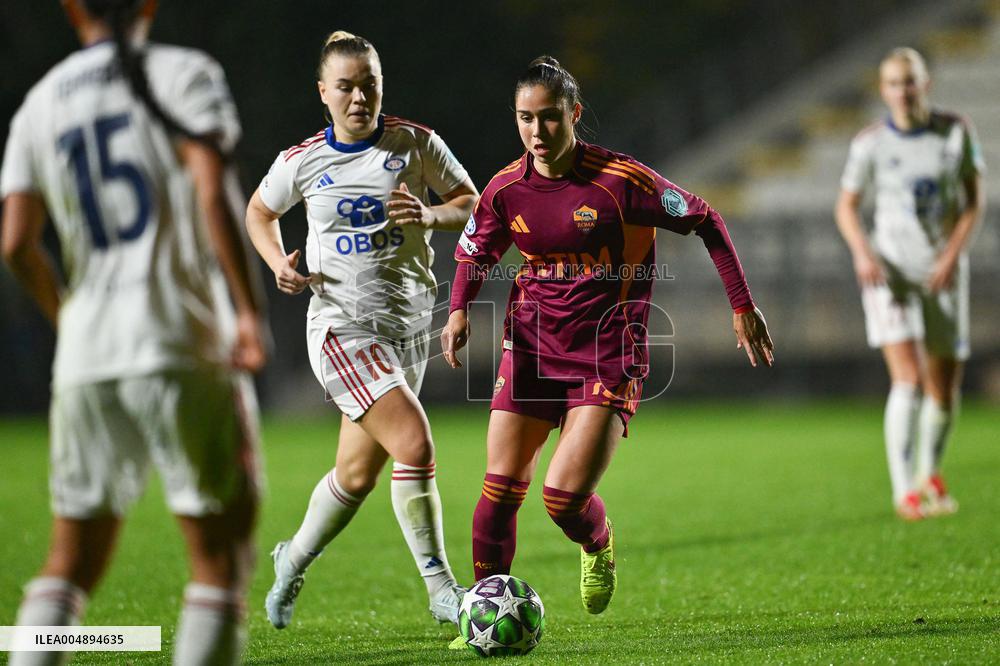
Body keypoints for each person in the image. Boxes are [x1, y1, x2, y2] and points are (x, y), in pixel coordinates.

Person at [440, 55, 773, 634]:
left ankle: (597, 542)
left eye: (549, 118)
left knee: (562, 500)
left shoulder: (622, 182)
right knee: (498, 488)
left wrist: (742, 305)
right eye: (525, 119)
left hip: (606, 354)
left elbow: (706, 219)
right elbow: (475, 250)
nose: (537, 133)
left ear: (575, 113)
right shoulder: (504, 189)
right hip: (531, 349)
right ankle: (482, 621)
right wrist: (458, 310)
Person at [0, 1, 267, 664]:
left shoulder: (38, 104)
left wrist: (68, 319)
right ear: (147, 4)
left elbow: (14, 243)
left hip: (88, 352)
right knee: (218, 559)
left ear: (72, 9)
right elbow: (212, 191)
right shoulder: (183, 73)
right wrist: (248, 310)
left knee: (70, 560)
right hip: (179, 337)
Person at [244, 31, 478, 630]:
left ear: (381, 86)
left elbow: (472, 203)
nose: (358, 97)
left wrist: (429, 213)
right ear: (323, 93)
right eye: (345, 86)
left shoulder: (416, 143)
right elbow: (260, 211)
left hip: (406, 329)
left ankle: (290, 562)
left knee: (356, 475)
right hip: (341, 329)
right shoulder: (301, 161)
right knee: (416, 442)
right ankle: (441, 590)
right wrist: (279, 267)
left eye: (368, 84)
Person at [835, 47, 984, 521]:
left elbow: (973, 203)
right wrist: (863, 253)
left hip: (942, 271)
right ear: (884, 90)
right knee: (908, 379)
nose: (904, 90)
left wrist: (951, 256)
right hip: (890, 272)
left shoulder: (955, 132)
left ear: (926, 84)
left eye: (911, 81)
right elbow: (846, 205)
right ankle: (905, 493)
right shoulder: (871, 143)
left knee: (944, 384)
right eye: (895, 83)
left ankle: (930, 474)